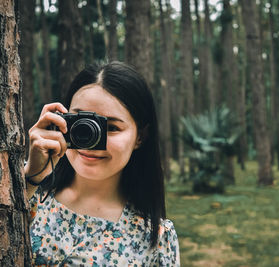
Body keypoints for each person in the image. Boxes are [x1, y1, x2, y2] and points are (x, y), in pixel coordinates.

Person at [24, 61, 180, 266]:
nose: (91, 140)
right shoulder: (25, 192)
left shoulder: (156, 239)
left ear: (140, 137)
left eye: (112, 127)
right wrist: (30, 178)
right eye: (81, 122)